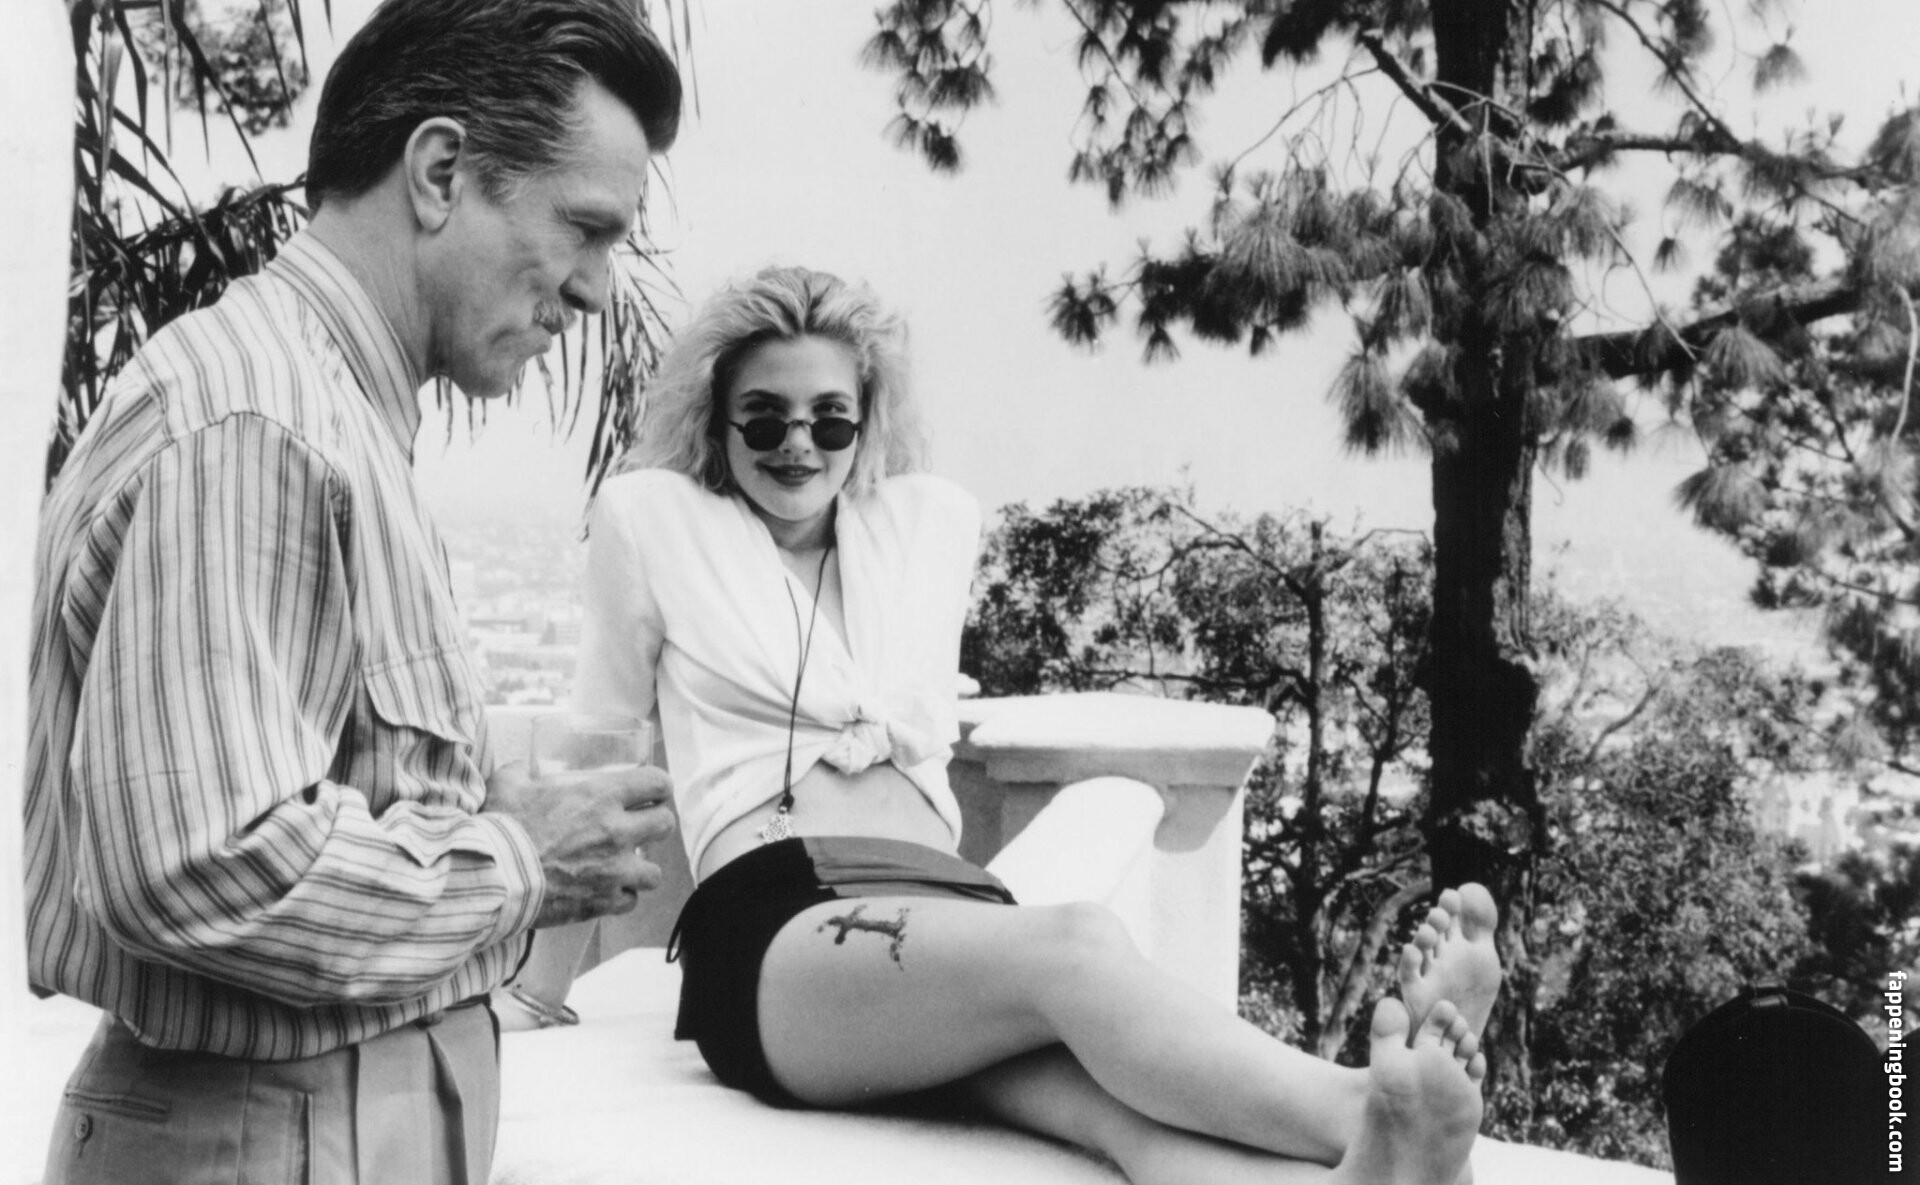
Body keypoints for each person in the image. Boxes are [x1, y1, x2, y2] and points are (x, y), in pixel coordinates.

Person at [555, 264, 1505, 1185]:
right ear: (717, 420)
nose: (798, 443)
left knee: (1108, 1113)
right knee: (1081, 943)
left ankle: (1368, 1175)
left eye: (830, 417)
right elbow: (600, 751)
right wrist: (534, 979)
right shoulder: (657, 523)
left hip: (951, 911)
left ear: (866, 421)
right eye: (765, 416)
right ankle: (1354, 1105)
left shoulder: (917, 530)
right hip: (775, 922)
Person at [23, 2, 681, 1181]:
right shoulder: (259, 419)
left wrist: (468, 813)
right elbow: (198, 867)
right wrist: (518, 859)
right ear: (439, 172)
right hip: (267, 1136)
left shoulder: (321, 410)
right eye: (584, 228)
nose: (591, 291)